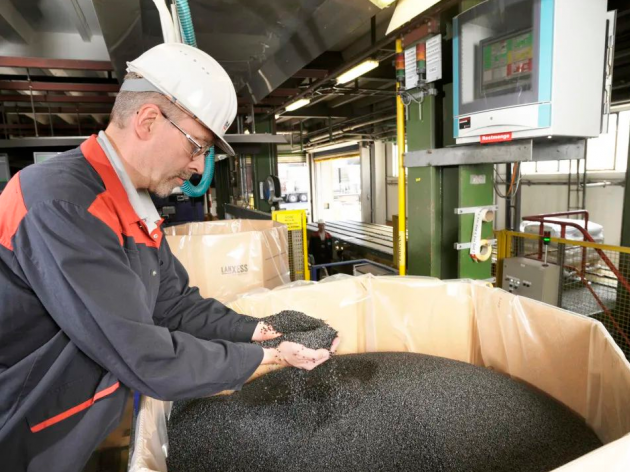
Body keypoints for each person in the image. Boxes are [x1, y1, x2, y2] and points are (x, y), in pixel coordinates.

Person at [0, 43, 337, 472]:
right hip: (20, 432)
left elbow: (173, 305)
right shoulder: (61, 203)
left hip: (69, 424)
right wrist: (270, 357)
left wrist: (262, 329)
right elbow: (142, 354)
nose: (199, 166)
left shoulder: (133, 203)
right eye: (197, 146)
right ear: (148, 121)